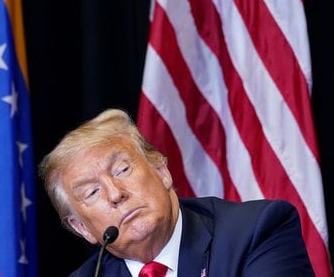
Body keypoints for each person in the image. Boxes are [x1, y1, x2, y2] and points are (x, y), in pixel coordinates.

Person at [39, 108, 315, 277]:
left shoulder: (255, 232)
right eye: (92, 192)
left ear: (161, 171)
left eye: (122, 170)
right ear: (81, 228)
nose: (115, 194)